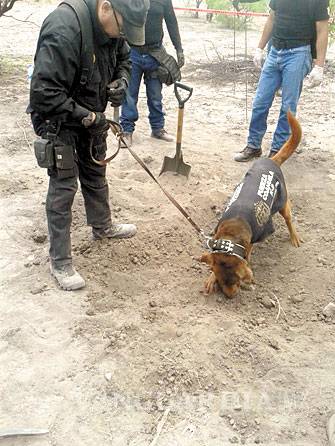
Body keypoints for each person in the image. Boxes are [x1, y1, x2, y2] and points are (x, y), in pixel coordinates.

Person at [29, 0, 149, 291]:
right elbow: (44, 93)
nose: (122, 37)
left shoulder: (115, 30)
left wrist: (121, 80)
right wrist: (87, 117)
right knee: (64, 186)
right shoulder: (64, 28)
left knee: (96, 173)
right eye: (122, 29)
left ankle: (102, 226)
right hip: (58, 119)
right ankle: (59, 260)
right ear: (106, 8)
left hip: (92, 114)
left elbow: (124, 60)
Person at [235, 0, 329, 162]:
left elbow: (322, 29)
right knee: (260, 101)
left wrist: (319, 66)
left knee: (288, 106)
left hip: (298, 53)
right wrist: (260, 48)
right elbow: (272, 17)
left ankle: (277, 151)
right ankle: (253, 146)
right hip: (275, 50)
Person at [120, 0, 184, 147]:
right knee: (129, 93)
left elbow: (171, 22)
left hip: (155, 53)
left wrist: (179, 48)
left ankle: (157, 128)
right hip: (133, 52)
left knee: (155, 94)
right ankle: (127, 130)